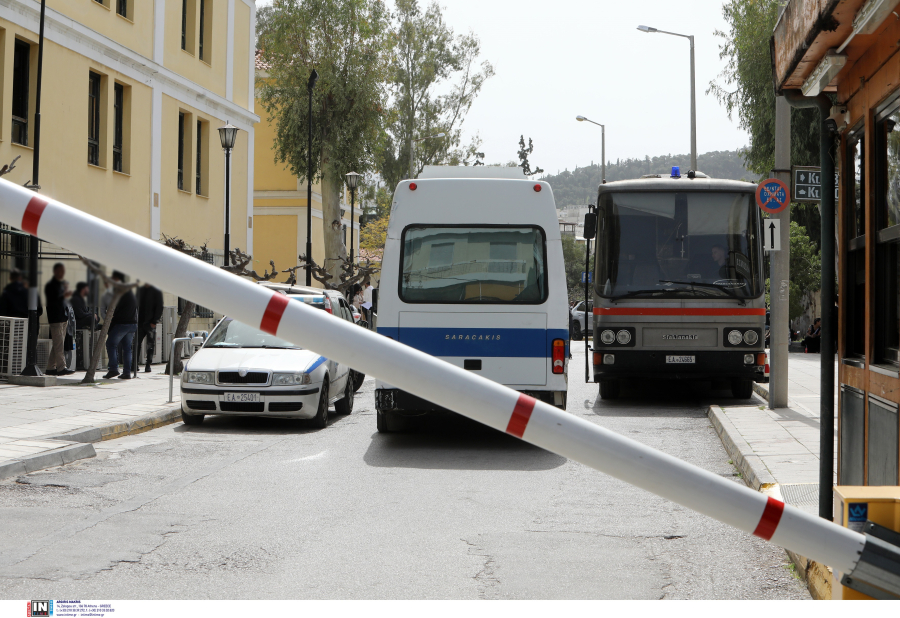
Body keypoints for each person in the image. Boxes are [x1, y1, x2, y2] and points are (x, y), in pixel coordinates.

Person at [104, 271, 138, 380]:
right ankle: (127, 372)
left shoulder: (119, 290)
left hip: (122, 323)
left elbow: (113, 307)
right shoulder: (128, 290)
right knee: (127, 348)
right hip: (132, 323)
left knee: (110, 344)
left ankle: (113, 369)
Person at [44, 263, 74, 376]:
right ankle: (61, 368)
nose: (63, 273)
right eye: (61, 271)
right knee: (59, 345)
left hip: (63, 317)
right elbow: (54, 301)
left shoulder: (62, 284)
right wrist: (65, 295)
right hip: (55, 318)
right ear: (56, 271)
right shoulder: (50, 285)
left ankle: (50, 368)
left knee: (58, 344)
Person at [136, 282, 163, 373]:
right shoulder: (140, 290)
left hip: (150, 322)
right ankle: (134, 364)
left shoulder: (156, 291)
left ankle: (148, 364)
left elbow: (159, 306)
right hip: (140, 322)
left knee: (150, 345)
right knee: (136, 343)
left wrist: (155, 321)